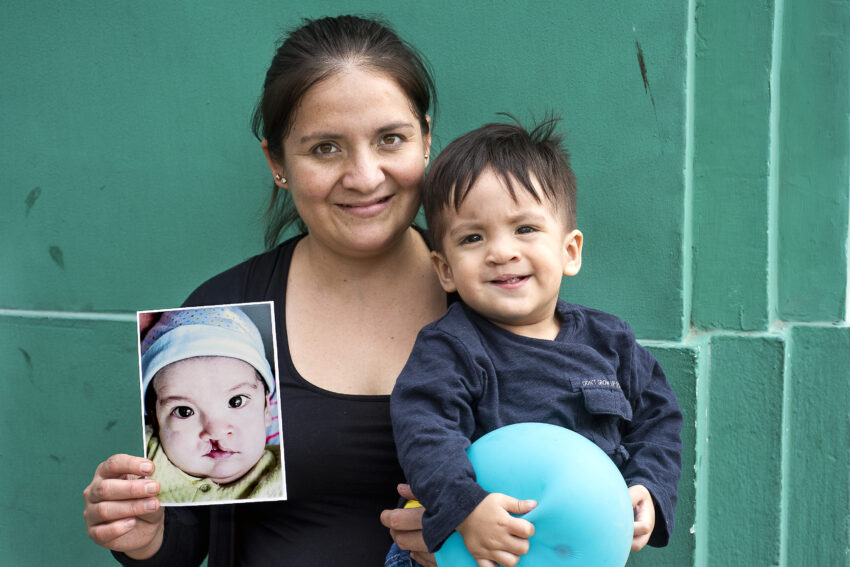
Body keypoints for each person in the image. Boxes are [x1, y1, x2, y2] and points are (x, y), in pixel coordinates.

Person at [82, 14, 476, 566]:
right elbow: (186, 533)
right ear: (277, 162)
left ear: (427, 140)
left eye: (391, 139)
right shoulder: (215, 319)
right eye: (325, 149)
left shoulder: (498, 302)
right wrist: (144, 535)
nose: (365, 176)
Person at [388, 118, 683, 567]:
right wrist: (465, 506)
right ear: (444, 268)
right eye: (473, 237)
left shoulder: (611, 343)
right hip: (469, 553)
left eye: (524, 229)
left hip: (577, 552)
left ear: (570, 251)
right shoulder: (450, 349)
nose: (502, 251)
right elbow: (424, 430)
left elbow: (659, 418)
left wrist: (649, 488)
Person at [139, 305, 283, 504]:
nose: (216, 431)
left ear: (267, 409)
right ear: (155, 420)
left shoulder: (289, 470)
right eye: (184, 411)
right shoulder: (143, 458)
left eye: (236, 401)